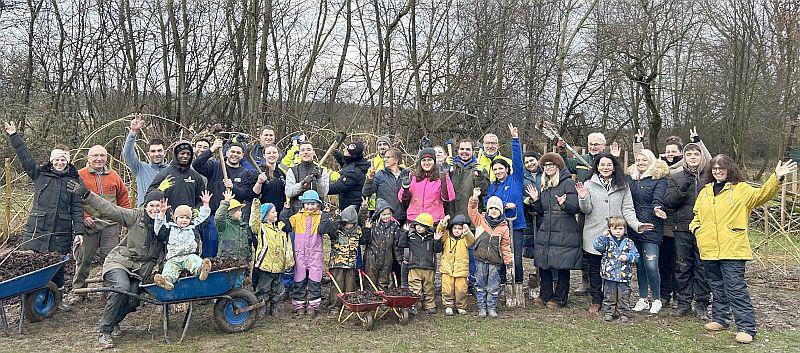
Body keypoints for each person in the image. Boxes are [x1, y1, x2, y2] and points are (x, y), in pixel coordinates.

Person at [691, 157, 796, 344]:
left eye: (721, 168)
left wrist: (776, 178)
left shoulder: (741, 189)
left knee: (735, 289)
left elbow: (762, 195)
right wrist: (697, 230)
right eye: (714, 168)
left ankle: (746, 327)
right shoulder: (705, 191)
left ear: (730, 169)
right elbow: (696, 216)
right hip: (709, 249)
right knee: (716, 286)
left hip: (733, 249)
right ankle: (720, 319)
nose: (718, 171)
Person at [65, 182, 167, 349]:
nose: (154, 209)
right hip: (119, 261)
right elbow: (109, 209)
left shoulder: (165, 226)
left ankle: (114, 321)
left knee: (134, 300)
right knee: (121, 287)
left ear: (164, 206)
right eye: (151, 205)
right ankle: (104, 332)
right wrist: (87, 195)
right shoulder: (135, 216)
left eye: (158, 205)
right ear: (145, 205)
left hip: (140, 270)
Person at [5, 121, 84, 288]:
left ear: (67, 161)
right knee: (31, 264)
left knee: (57, 266)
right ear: (51, 160)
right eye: (57, 159)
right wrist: (14, 136)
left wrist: (79, 231)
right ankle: (31, 296)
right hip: (37, 229)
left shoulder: (74, 181)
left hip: (60, 231)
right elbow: (25, 157)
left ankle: (58, 298)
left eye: (63, 159)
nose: (60, 162)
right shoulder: (40, 174)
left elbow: (77, 208)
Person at [575, 153, 650, 315]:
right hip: (594, 233)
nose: (605, 168)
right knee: (594, 269)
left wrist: (637, 225)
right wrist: (583, 198)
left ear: (614, 167)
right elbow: (586, 210)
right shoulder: (589, 184)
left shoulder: (623, 186)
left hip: (617, 236)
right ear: (597, 167)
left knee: (615, 269)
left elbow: (628, 209)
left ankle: (615, 302)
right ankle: (597, 300)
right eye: (602, 165)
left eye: (609, 165)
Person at [67, 145, 131, 308]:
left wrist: (126, 219)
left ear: (106, 158)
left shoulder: (113, 176)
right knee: (83, 259)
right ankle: (79, 291)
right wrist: (83, 217)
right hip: (89, 226)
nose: (98, 159)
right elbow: (72, 201)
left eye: (102, 155)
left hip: (110, 226)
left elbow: (123, 198)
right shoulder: (79, 175)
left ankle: (109, 291)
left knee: (110, 260)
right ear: (88, 158)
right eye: (95, 155)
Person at [527, 152, 581, 308]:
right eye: (545, 165)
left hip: (564, 229)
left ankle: (560, 298)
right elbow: (542, 211)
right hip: (547, 228)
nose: (548, 168)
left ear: (558, 166)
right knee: (545, 263)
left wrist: (564, 203)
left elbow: (575, 208)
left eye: (551, 165)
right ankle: (545, 294)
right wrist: (536, 200)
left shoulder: (567, 183)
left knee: (561, 264)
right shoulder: (546, 184)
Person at [666, 142, 712, 318]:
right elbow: (669, 202)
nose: (693, 157)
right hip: (683, 227)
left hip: (704, 228)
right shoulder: (676, 177)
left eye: (696, 154)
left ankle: (701, 303)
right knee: (683, 266)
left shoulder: (709, 177)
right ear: (684, 157)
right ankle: (683, 302)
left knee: (703, 267)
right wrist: (683, 188)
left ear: (701, 157)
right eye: (689, 154)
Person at [485, 123, 525, 303]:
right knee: (500, 257)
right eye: (495, 169)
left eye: (501, 168)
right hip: (499, 227)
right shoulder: (493, 188)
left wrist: (515, 140)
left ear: (506, 170)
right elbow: (488, 203)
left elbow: (517, 161)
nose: (498, 171)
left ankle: (518, 286)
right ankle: (503, 287)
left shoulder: (516, 180)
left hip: (515, 225)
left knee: (515, 258)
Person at [627, 149, 669, 314]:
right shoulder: (631, 178)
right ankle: (643, 298)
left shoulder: (658, 179)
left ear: (650, 161)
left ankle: (656, 298)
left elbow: (658, 199)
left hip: (651, 227)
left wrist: (657, 209)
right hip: (633, 227)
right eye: (638, 160)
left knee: (651, 264)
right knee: (639, 264)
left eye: (644, 160)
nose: (641, 163)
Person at [445, 139, 489, 294]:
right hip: (452, 215)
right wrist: (446, 171)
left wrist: (480, 176)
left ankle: (471, 281)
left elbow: (484, 191)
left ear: (472, 151)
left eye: (468, 149)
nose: (464, 152)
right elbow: (443, 188)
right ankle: (451, 282)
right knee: (452, 251)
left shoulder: (478, 168)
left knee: (470, 252)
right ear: (457, 150)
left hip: (470, 218)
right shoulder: (452, 167)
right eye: (462, 149)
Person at [281, 190, 335, 317]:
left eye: (313, 204)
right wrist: (286, 211)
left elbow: (323, 230)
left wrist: (326, 215)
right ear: (302, 204)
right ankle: (299, 305)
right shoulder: (297, 217)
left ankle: (313, 306)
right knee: (299, 280)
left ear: (318, 205)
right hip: (300, 254)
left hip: (315, 254)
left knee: (315, 281)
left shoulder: (321, 217)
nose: (310, 207)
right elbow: (285, 226)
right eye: (307, 204)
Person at [152, 191, 213, 291]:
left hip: (189, 255)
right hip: (173, 258)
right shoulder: (169, 227)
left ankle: (202, 271)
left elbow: (203, 218)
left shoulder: (193, 226)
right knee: (169, 269)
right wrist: (162, 213)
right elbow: (158, 229)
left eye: (187, 218)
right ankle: (167, 281)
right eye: (181, 217)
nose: (184, 220)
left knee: (195, 261)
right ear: (175, 218)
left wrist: (205, 204)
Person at [468, 191, 513, 318]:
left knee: (493, 286)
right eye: (491, 208)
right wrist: (474, 198)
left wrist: (508, 262)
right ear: (487, 210)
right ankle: (482, 307)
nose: (493, 210)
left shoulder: (503, 227)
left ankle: (491, 307)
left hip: (495, 262)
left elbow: (505, 246)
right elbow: (472, 210)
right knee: (480, 284)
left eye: (496, 208)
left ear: (501, 211)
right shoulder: (480, 221)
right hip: (480, 259)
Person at [249, 199, 294, 317]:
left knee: (277, 289)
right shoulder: (261, 228)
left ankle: (274, 308)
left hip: (278, 265)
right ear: (265, 216)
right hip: (265, 265)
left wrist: (289, 261)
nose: (276, 213)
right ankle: (262, 308)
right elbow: (253, 221)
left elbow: (287, 246)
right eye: (273, 212)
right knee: (263, 289)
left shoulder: (281, 229)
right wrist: (256, 207)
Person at [592, 216, 640, 323]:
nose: (618, 231)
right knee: (609, 294)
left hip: (624, 275)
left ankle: (623, 313)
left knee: (624, 295)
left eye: (620, 229)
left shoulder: (629, 242)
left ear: (624, 229)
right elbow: (596, 246)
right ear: (609, 229)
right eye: (615, 229)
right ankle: (609, 312)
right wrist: (603, 237)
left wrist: (627, 257)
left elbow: (636, 256)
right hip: (609, 274)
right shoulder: (607, 241)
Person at [398, 212, 441, 315]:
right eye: (417, 225)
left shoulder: (431, 238)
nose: (419, 227)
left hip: (429, 267)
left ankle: (429, 305)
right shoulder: (411, 236)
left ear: (428, 227)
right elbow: (401, 244)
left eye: (422, 226)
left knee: (429, 287)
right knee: (414, 288)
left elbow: (438, 250)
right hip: (414, 266)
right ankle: (413, 305)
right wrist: (405, 232)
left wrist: (437, 241)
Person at [399, 147, 456, 224]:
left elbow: (449, 197)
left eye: (429, 160)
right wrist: (405, 187)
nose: (426, 163)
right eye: (423, 160)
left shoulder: (440, 177)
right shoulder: (412, 176)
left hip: (434, 220)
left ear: (434, 161)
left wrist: (445, 177)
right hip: (414, 219)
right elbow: (402, 199)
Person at [123, 114, 169, 205]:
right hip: (145, 213)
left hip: (165, 213)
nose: (156, 154)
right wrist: (133, 132)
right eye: (153, 151)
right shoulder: (140, 169)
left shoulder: (172, 170)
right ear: (148, 154)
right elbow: (127, 153)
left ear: (165, 152)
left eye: (159, 150)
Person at [147, 140, 206, 210]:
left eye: (188, 154)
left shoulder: (196, 177)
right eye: (182, 153)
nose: (185, 156)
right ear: (176, 155)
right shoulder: (164, 174)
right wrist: (159, 190)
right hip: (167, 218)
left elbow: (201, 200)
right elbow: (148, 198)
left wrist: (197, 210)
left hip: (187, 218)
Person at [327, 205, 363, 314]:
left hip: (351, 264)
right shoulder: (336, 231)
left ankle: (348, 306)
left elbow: (365, 239)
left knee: (349, 286)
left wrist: (366, 228)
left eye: (351, 224)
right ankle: (334, 307)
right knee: (337, 286)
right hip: (337, 263)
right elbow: (330, 231)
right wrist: (337, 218)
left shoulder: (358, 231)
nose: (349, 226)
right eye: (346, 223)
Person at [437, 214, 474, 316]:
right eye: (455, 228)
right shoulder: (446, 237)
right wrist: (443, 223)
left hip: (461, 269)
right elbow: (440, 231)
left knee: (461, 289)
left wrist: (467, 232)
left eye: (460, 228)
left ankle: (461, 306)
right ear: (451, 228)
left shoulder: (465, 240)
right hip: (447, 269)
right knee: (447, 288)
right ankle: (448, 306)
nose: (457, 230)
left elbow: (471, 240)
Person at [361, 198, 401, 289]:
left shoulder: (394, 226)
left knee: (384, 282)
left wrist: (400, 260)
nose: (386, 216)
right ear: (378, 214)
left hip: (387, 258)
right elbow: (364, 241)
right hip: (371, 257)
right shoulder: (372, 224)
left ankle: (382, 301)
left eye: (388, 214)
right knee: (370, 281)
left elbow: (396, 245)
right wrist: (367, 229)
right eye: (384, 214)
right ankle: (371, 301)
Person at [363, 148, 409, 224]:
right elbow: (366, 193)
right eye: (384, 157)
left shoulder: (406, 174)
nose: (385, 159)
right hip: (384, 217)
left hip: (402, 217)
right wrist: (370, 178)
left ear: (396, 160)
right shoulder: (380, 174)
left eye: (388, 157)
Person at [285, 141, 331, 213]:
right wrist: (302, 184)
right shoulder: (292, 171)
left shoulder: (322, 171)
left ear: (313, 152)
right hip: (297, 213)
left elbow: (323, 193)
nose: (305, 152)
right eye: (302, 150)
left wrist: (319, 178)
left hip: (317, 213)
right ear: (300, 153)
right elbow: (288, 193)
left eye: (308, 150)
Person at [329, 141, 370, 210]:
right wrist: (336, 154)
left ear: (351, 155)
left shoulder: (352, 172)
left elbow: (335, 188)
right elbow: (345, 163)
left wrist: (320, 188)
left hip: (351, 209)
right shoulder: (359, 162)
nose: (343, 150)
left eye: (346, 149)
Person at [252, 143, 288, 215]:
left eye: (274, 153)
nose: (272, 155)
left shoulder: (281, 172)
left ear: (278, 155)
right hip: (265, 213)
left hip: (280, 213)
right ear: (264, 155)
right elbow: (253, 194)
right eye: (268, 153)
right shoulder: (258, 171)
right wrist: (259, 182)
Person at [215, 190, 250, 260]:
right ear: (231, 212)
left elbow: (246, 247)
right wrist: (226, 202)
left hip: (241, 263)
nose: (241, 213)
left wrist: (249, 259)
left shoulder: (243, 227)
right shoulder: (225, 225)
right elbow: (218, 217)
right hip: (226, 263)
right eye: (238, 211)